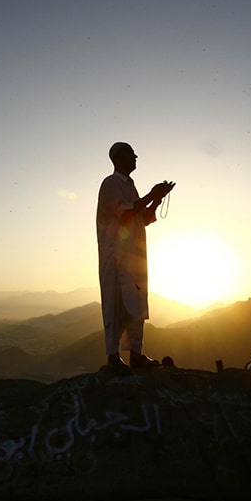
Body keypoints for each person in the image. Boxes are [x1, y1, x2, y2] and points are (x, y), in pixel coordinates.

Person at [96, 142, 174, 369]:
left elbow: (139, 219)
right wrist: (151, 194)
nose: (136, 157)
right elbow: (125, 215)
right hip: (117, 257)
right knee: (116, 303)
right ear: (120, 158)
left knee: (136, 302)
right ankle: (113, 357)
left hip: (134, 256)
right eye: (132, 154)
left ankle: (136, 355)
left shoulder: (130, 186)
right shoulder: (110, 184)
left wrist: (157, 199)